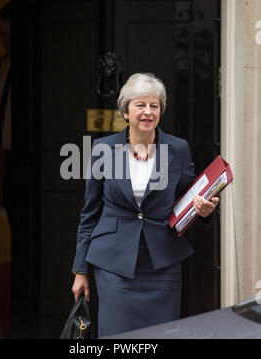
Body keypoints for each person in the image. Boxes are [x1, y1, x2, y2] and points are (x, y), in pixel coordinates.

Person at [71, 73, 219, 337]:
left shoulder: (178, 148)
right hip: (114, 264)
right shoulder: (102, 149)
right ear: (126, 111)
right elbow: (89, 213)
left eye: (155, 105)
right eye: (140, 105)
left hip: (162, 264)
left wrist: (204, 210)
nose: (148, 111)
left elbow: (191, 195)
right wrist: (80, 270)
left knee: (161, 334)